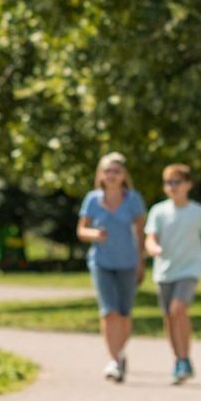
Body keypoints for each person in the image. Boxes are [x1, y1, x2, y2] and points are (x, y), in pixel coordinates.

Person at [145, 163, 201, 384]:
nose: (172, 186)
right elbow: (150, 237)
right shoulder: (159, 211)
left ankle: (185, 357)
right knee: (169, 318)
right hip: (164, 271)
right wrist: (153, 248)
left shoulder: (199, 212)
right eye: (168, 182)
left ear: (188, 185)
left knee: (178, 309)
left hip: (189, 269)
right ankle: (179, 359)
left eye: (176, 182)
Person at [76, 151, 147, 381]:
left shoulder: (133, 199)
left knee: (125, 313)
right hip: (101, 262)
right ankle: (113, 360)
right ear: (101, 174)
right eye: (108, 171)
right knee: (109, 312)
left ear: (124, 174)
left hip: (127, 262)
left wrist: (141, 262)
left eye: (116, 171)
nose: (112, 175)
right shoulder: (92, 200)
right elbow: (81, 230)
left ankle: (120, 352)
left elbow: (140, 233)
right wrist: (94, 233)